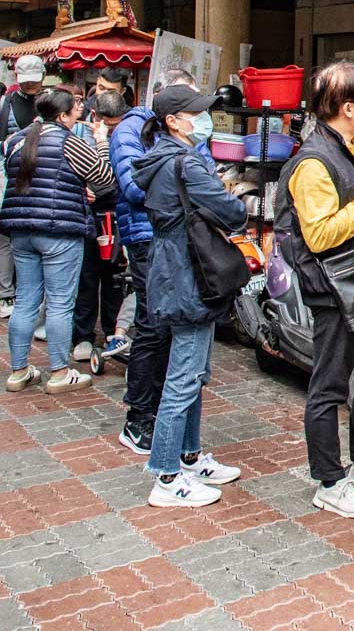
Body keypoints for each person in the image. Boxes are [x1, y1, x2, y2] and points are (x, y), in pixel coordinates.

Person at [276, 62, 354, 517]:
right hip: (334, 291)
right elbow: (319, 235)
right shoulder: (313, 163)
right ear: (346, 108)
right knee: (329, 387)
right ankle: (329, 480)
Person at [132, 84, 247, 507]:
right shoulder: (185, 164)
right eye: (195, 112)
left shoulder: (161, 159)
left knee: (192, 372)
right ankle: (165, 475)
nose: (204, 119)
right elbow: (232, 212)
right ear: (174, 121)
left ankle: (190, 455)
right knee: (184, 377)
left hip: (172, 264)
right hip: (190, 270)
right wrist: (229, 195)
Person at [110, 67, 207, 456]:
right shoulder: (131, 130)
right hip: (149, 237)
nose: (199, 116)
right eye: (190, 105)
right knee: (152, 325)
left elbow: (208, 178)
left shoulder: (189, 138)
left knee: (177, 328)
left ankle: (175, 427)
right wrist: (182, 186)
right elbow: (134, 187)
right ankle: (139, 417)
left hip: (185, 239)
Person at [0, 88, 115, 396]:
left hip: (21, 229)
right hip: (59, 230)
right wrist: (102, 142)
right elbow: (104, 177)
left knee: (25, 300)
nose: (79, 110)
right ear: (62, 115)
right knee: (61, 303)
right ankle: (60, 372)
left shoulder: (17, 140)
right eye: (75, 107)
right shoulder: (69, 142)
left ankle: (18, 371)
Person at [0, 55, 47, 319]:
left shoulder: (50, 102)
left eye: (34, 81)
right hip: (8, 180)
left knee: (37, 238)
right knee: (5, 237)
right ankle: (5, 294)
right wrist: (4, 147)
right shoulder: (1, 106)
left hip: (42, 180)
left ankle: (32, 294)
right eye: (25, 81)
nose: (30, 86)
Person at [74, 91, 128, 361]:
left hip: (115, 210)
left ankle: (111, 330)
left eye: (119, 123)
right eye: (111, 123)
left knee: (114, 275)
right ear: (95, 115)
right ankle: (82, 334)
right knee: (86, 274)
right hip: (85, 213)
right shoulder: (77, 133)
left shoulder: (128, 133)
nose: (115, 128)